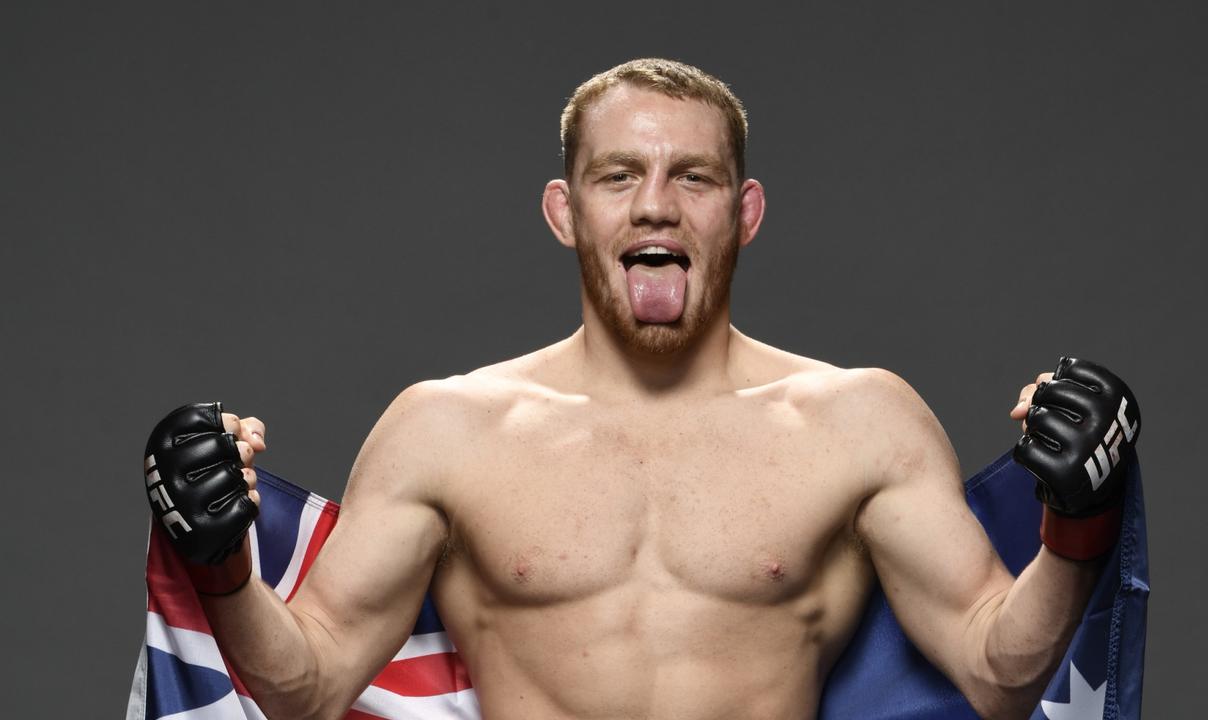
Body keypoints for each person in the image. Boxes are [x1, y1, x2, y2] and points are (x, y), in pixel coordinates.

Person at [142, 58, 1139, 720]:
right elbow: (303, 686)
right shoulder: (445, 431)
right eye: (617, 177)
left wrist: (1076, 523)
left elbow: (998, 670)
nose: (655, 203)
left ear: (742, 212)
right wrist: (220, 564)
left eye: (692, 178)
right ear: (564, 212)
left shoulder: (855, 423)